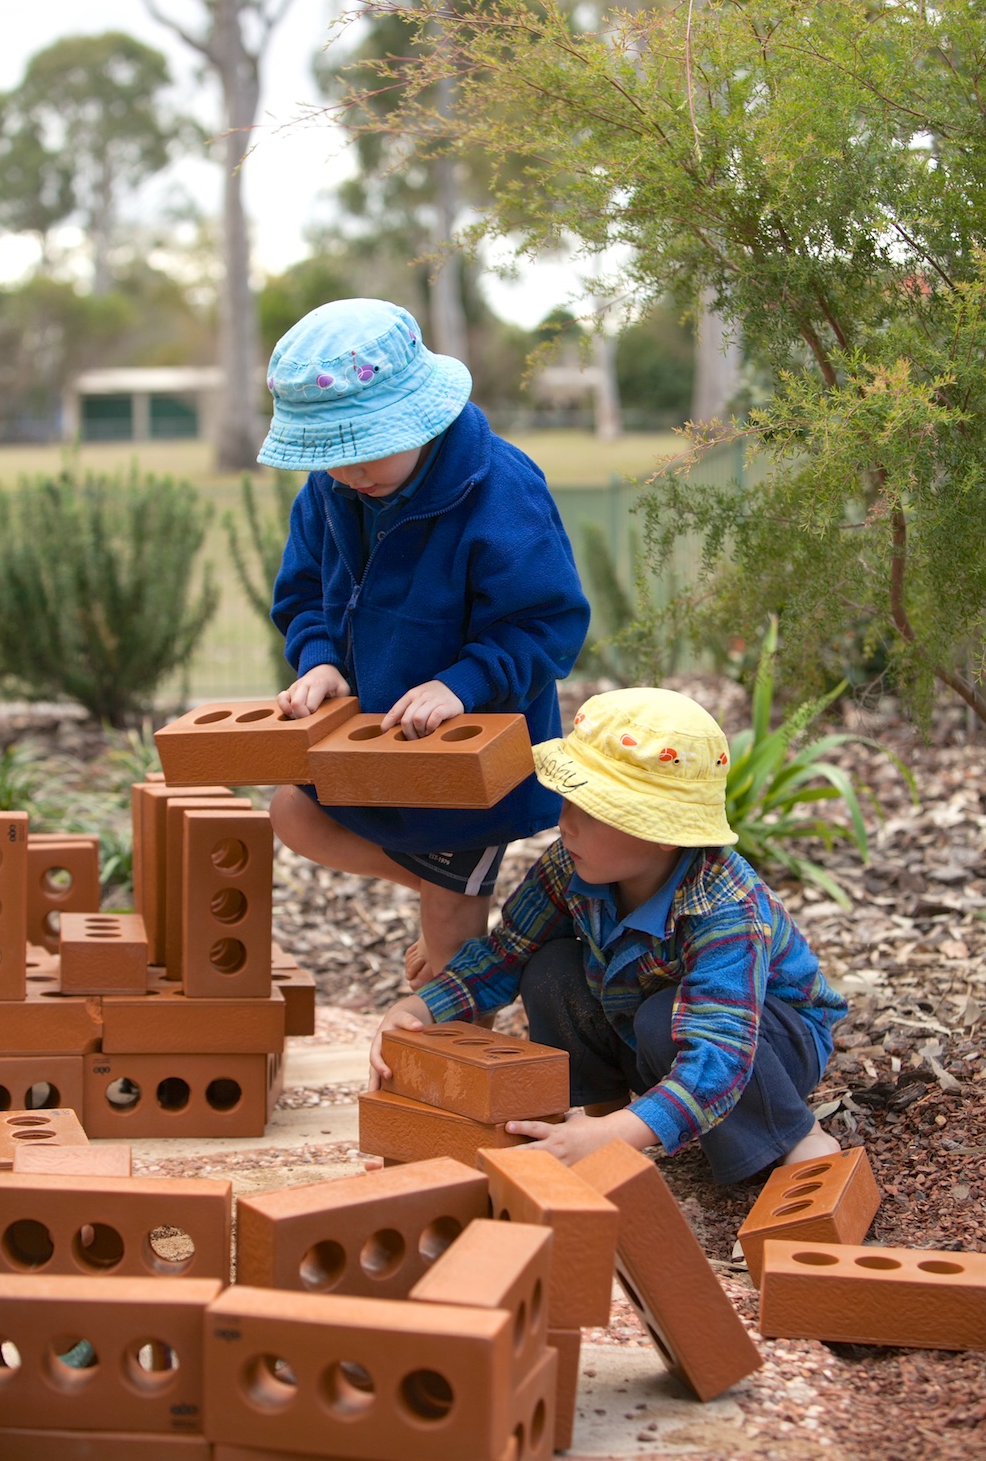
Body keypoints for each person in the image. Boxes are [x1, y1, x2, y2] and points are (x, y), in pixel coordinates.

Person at [369, 686, 849, 1183]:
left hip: (766, 1045)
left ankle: (794, 1132)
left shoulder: (725, 906)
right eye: (568, 802)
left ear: (663, 830)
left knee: (667, 1017)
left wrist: (626, 1129)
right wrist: (416, 1010)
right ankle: (602, 1118)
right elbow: (506, 954)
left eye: (593, 811)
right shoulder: (571, 866)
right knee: (550, 969)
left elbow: (722, 1054)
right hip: (646, 1027)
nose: (566, 824)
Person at [260, 297, 590, 984]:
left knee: (446, 938)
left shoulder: (501, 489)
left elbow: (546, 623)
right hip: (372, 749)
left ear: (424, 416)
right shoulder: (328, 495)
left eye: (364, 450)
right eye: (327, 455)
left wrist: (459, 684)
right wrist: (318, 659)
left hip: (465, 763)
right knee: (294, 813)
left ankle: (459, 1060)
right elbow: (301, 593)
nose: (348, 473)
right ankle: (450, 892)